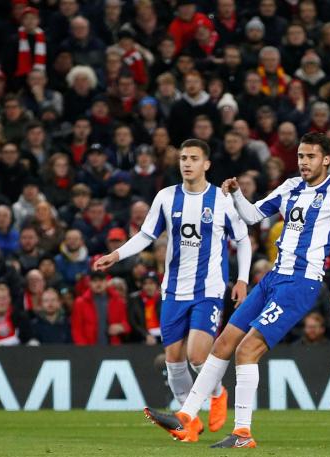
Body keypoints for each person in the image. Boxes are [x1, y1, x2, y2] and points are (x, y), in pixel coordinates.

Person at [144, 132, 330, 448]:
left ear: (327, 160)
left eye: (311, 157)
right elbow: (252, 215)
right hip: (273, 278)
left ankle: (242, 433)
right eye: (301, 157)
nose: (304, 162)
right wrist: (236, 195)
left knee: (246, 350)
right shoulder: (291, 187)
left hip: (300, 283)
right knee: (223, 343)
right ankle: (187, 417)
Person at [94, 139, 251, 432]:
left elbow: (242, 240)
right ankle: (189, 423)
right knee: (174, 361)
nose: (187, 163)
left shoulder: (220, 200)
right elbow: (145, 235)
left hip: (209, 290)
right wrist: (116, 255)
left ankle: (217, 393)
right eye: (183, 158)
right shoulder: (166, 197)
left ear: (206, 164)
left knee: (196, 356)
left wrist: (242, 279)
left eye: (193, 158)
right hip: (174, 289)